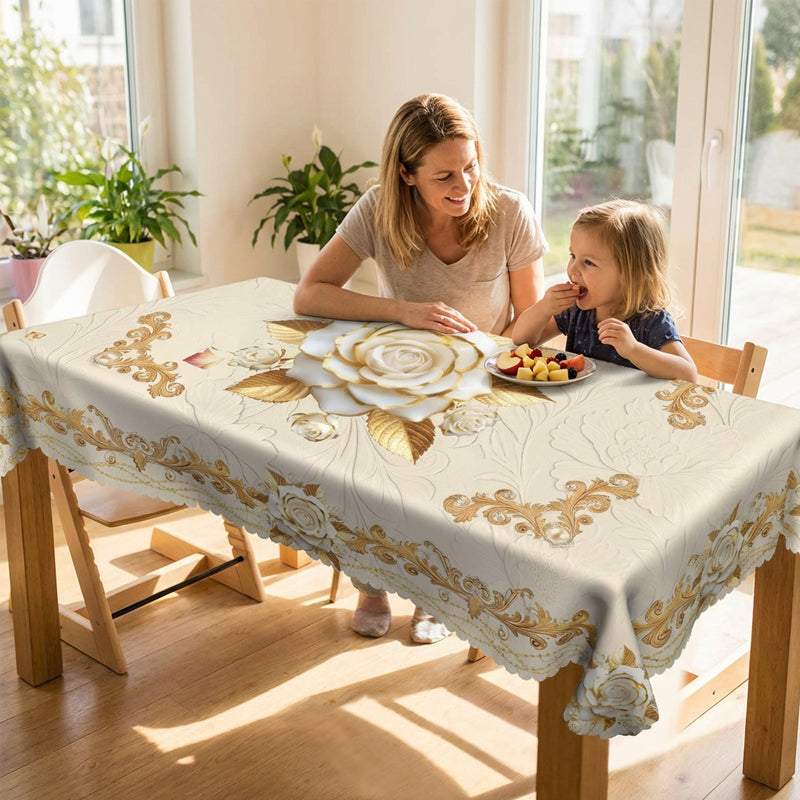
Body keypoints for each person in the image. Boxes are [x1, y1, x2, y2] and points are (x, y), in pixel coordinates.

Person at [293, 92, 548, 642]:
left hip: (482, 380)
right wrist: (405, 312)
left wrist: (485, 357)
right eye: (444, 176)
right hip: (399, 375)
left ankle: (435, 592)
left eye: (471, 167)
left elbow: (534, 321)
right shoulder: (378, 209)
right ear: (407, 175)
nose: (464, 186)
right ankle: (372, 583)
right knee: (363, 458)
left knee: (450, 478)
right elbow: (310, 294)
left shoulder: (510, 213)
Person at [512, 199, 698, 382]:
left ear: (631, 274)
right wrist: (544, 308)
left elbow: (688, 374)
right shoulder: (576, 310)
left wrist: (633, 349)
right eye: (573, 256)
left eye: (589, 262)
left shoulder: (651, 321)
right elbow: (521, 339)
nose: (573, 269)